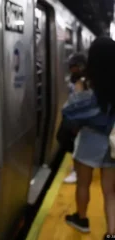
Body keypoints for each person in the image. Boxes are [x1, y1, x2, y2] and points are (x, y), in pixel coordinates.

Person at [61, 37, 115, 240]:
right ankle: (112, 233)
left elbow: (68, 112)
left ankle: (81, 219)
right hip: (113, 142)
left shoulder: (88, 90)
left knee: (83, 184)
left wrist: (77, 91)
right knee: (110, 191)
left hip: (89, 141)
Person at [63, 52, 88, 184]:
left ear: (80, 66)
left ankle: (77, 173)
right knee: (76, 143)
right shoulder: (75, 78)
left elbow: (82, 100)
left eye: (73, 66)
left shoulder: (84, 81)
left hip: (80, 118)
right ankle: (77, 168)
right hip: (75, 116)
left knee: (78, 145)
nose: (70, 68)